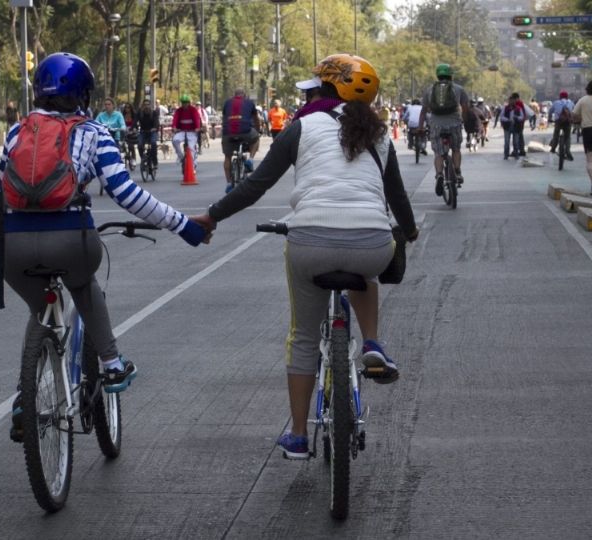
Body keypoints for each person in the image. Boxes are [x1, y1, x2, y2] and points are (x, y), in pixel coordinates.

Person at [188, 54, 419, 460]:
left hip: (309, 240)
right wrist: (410, 232)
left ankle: (297, 434)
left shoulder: (302, 127)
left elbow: (255, 186)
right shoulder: (380, 134)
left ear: (327, 89)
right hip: (373, 243)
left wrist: (211, 217)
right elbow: (397, 196)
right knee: (364, 268)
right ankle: (373, 343)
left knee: (305, 337)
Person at [0, 52, 208, 441]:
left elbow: (3, 191)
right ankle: (112, 363)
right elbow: (127, 195)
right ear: (82, 94)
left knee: (40, 308)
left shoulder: (17, 132)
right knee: (83, 283)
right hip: (70, 240)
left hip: (14, 247)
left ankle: (25, 397)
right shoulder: (93, 132)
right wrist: (183, 226)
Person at [418, 64, 469, 194]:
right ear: (451, 75)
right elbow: (466, 108)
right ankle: (457, 172)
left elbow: (423, 111)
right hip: (454, 124)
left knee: (439, 153)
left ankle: (439, 174)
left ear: (437, 75)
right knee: (456, 149)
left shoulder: (429, 90)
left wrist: (420, 127)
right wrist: (466, 122)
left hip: (436, 125)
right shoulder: (459, 89)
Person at [221, 89, 261, 192]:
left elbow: (224, 117)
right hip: (245, 130)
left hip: (228, 132)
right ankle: (250, 160)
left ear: (234, 95)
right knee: (256, 138)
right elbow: (256, 119)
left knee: (227, 157)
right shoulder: (249, 103)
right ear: (244, 95)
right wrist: (258, 129)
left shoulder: (227, 103)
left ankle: (229, 183)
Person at [171, 94, 201, 168]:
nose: (185, 104)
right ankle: (180, 156)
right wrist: (174, 127)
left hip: (192, 132)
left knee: (191, 148)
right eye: (183, 103)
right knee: (175, 140)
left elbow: (196, 119)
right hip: (181, 131)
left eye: (186, 102)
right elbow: (175, 119)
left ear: (189, 103)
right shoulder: (179, 111)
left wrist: (197, 127)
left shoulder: (193, 110)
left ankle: (193, 164)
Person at [548, 91, 575, 160]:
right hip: (568, 122)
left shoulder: (556, 102)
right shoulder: (570, 102)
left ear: (560, 97)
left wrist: (549, 119)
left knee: (556, 134)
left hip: (558, 121)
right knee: (568, 136)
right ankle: (568, 151)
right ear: (567, 97)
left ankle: (553, 148)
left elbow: (550, 111)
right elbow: (574, 112)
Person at [498, 95, 525, 160]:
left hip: (516, 127)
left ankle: (516, 154)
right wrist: (507, 120)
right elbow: (501, 117)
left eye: (513, 100)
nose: (511, 102)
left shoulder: (518, 108)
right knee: (507, 142)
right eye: (510, 101)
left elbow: (522, 117)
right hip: (507, 127)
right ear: (509, 101)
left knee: (515, 142)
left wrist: (517, 117)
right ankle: (506, 155)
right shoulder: (505, 108)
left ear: (514, 101)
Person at [137, 98, 159, 171]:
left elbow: (156, 122)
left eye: (148, 104)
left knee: (153, 143)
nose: (146, 106)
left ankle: (154, 161)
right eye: (145, 105)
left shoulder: (154, 112)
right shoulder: (140, 113)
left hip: (152, 131)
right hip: (143, 131)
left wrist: (155, 128)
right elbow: (134, 121)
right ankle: (143, 159)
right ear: (142, 106)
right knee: (140, 144)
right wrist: (133, 128)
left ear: (150, 105)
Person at [121, 102, 139, 169]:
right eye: (126, 107)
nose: (127, 109)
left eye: (128, 107)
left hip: (132, 131)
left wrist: (133, 129)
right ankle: (125, 157)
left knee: (131, 146)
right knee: (122, 145)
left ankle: (133, 159)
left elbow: (135, 123)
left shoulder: (134, 115)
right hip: (124, 131)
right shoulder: (122, 115)